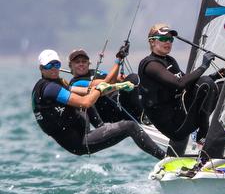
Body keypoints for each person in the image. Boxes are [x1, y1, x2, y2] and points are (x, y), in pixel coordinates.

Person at [31, 48, 166, 159]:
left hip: (81, 132)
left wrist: (118, 86)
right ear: (41, 68)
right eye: (49, 65)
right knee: (129, 126)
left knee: (88, 95)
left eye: (56, 65)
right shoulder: (50, 88)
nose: (54, 69)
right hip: (81, 142)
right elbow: (85, 103)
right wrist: (99, 88)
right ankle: (165, 158)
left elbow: (86, 91)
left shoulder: (54, 84)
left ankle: (104, 125)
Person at [138, 23, 224, 157]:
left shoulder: (170, 60)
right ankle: (203, 137)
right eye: (163, 39)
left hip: (181, 114)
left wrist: (214, 76)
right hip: (174, 126)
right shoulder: (150, 65)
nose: (168, 42)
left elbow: (188, 83)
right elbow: (179, 84)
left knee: (222, 86)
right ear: (152, 42)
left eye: (170, 39)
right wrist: (204, 66)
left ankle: (223, 135)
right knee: (205, 83)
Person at [68, 47, 144, 125]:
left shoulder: (95, 72)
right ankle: (141, 116)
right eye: (77, 62)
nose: (81, 64)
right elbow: (105, 83)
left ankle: (147, 113)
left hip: (118, 101)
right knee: (133, 78)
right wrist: (118, 59)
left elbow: (113, 80)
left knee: (135, 79)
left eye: (84, 61)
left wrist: (121, 78)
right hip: (111, 111)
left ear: (88, 63)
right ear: (71, 65)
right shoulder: (76, 83)